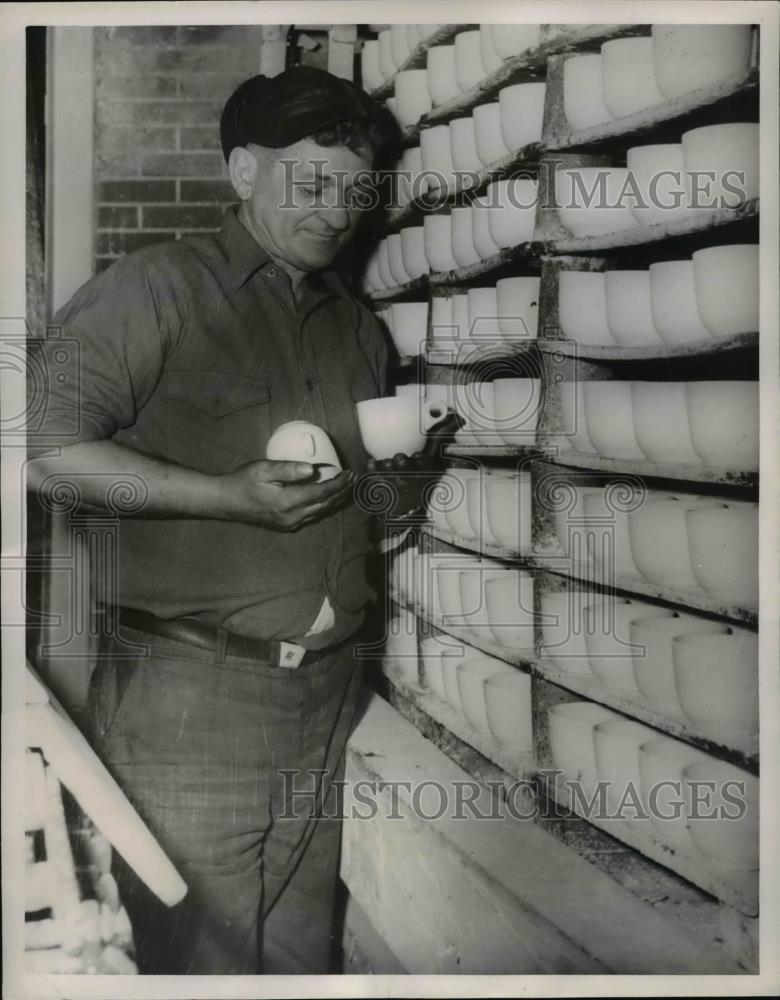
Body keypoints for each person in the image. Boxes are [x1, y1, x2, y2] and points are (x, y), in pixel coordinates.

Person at [27, 66, 456, 974]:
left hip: (327, 694)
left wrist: (406, 481)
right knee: (203, 963)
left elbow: (359, 515)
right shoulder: (155, 291)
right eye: (311, 181)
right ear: (242, 173)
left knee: (299, 956)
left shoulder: (358, 331)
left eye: (354, 189)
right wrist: (225, 496)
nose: (337, 210)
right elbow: (48, 452)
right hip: (192, 696)